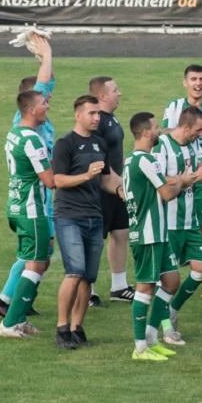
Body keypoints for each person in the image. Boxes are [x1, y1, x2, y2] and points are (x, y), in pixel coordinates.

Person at [123, 112, 202, 362]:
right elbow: (167, 193)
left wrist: (184, 180)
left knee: (171, 282)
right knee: (145, 288)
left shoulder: (134, 160)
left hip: (158, 233)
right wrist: (185, 180)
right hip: (147, 233)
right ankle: (140, 347)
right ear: (145, 132)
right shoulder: (145, 159)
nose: (159, 130)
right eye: (155, 127)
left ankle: (152, 337)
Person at [52, 95, 121, 350]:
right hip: (69, 216)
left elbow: (106, 179)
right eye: (92, 113)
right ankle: (62, 328)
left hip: (95, 216)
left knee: (88, 277)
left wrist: (122, 191)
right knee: (74, 271)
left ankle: (77, 328)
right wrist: (86, 175)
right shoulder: (65, 144)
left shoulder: (99, 143)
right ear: (78, 115)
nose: (96, 118)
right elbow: (58, 180)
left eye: (98, 114)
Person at [0, 33, 56, 319]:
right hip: (35, 200)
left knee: (39, 254)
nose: (49, 100)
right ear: (30, 104)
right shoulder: (25, 125)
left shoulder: (36, 122)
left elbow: (46, 81)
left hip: (34, 199)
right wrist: (47, 54)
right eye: (44, 98)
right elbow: (43, 83)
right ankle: (8, 301)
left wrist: (44, 59)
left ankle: (16, 298)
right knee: (36, 256)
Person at [154, 106, 202, 344]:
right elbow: (157, 178)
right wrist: (188, 178)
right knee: (167, 280)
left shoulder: (192, 145)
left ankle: (172, 310)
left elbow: (196, 168)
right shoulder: (162, 146)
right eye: (198, 130)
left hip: (190, 221)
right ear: (185, 127)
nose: (201, 134)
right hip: (168, 223)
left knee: (201, 270)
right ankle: (166, 329)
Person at [161, 65, 202, 297]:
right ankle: (168, 276)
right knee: (175, 226)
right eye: (194, 79)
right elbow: (164, 133)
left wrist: (201, 123)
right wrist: (186, 125)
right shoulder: (174, 106)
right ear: (185, 82)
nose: (198, 83)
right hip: (179, 176)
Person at [0, 90, 55, 339]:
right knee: (36, 264)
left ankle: (19, 319)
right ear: (31, 109)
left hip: (16, 206)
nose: (47, 107)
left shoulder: (14, 133)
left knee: (37, 260)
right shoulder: (32, 139)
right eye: (43, 104)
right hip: (32, 210)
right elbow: (50, 181)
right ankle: (9, 322)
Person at [90, 75, 135, 305]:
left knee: (121, 233)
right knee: (95, 240)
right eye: (115, 90)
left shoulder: (111, 118)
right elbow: (99, 163)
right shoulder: (97, 123)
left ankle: (119, 287)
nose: (120, 93)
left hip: (117, 187)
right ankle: (88, 290)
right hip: (102, 190)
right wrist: (120, 186)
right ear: (102, 96)